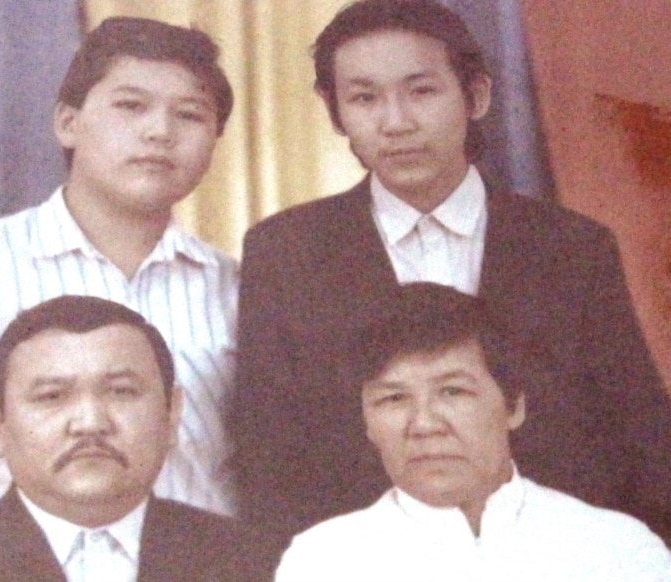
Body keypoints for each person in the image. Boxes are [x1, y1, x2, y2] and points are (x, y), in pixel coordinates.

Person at [230, 0, 671, 542]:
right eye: (365, 98)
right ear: (335, 111)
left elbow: (639, 433)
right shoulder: (286, 252)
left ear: (476, 95)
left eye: (421, 91)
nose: (396, 123)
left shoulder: (572, 247)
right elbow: (268, 456)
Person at [0, 17, 239, 530]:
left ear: (215, 142)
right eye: (131, 106)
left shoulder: (238, 289)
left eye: (190, 115)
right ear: (68, 122)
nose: (160, 131)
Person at [275, 283, 671, 581]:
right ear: (366, 422)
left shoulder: (616, 550)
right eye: (394, 398)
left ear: (513, 407)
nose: (424, 424)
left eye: (453, 392)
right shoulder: (323, 561)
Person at [0, 296, 275, 581]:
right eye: (52, 396)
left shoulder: (266, 566)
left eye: (121, 391)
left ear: (172, 414)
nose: (89, 423)